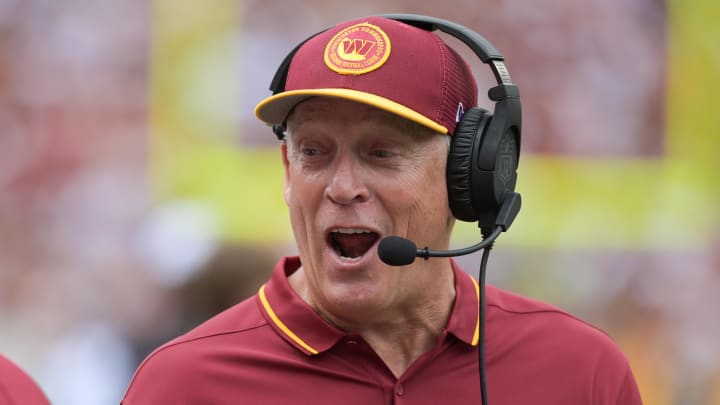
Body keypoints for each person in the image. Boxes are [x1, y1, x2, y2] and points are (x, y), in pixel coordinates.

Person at [121, 15, 642, 404]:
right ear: (286, 171)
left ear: (470, 174)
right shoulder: (183, 385)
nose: (343, 188)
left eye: (382, 153)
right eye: (314, 153)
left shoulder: (579, 370)